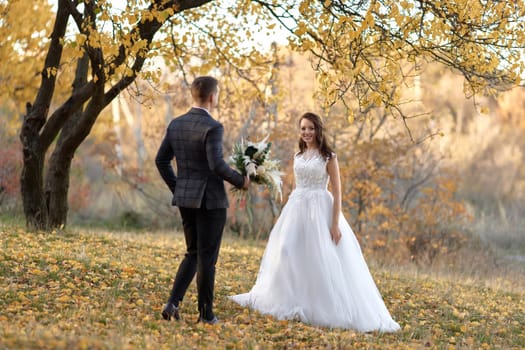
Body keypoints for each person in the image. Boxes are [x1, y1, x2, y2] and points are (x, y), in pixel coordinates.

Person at [229, 112, 400, 332]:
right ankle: (290, 297)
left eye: (311, 128)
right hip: (297, 208)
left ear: (318, 130)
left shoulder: (329, 157)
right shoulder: (297, 156)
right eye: (303, 128)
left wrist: (335, 223)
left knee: (320, 255)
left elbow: (337, 191)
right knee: (287, 250)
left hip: (321, 208)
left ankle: (320, 304)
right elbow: (295, 185)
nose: (307, 132)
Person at [156, 76, 249, 324]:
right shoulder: (213, 126)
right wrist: (241, 181)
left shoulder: (176, 124)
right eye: (217, 94)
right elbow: (216, 165)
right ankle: (206, 315)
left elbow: (161, 161)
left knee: (192, 253)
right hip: (210, 201)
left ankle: (172, 303)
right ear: (212, 96)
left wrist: (179, 187)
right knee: (207, 258)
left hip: (186, 199)